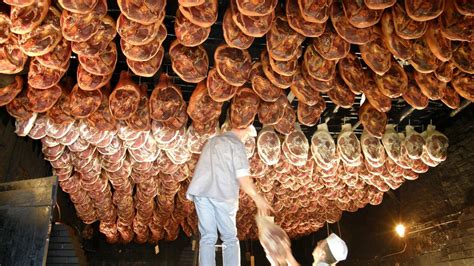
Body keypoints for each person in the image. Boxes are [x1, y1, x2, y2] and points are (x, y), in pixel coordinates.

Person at [186, 125, 273, 266]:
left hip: (201, 192)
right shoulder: (236, 144)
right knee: (230, 238)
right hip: (222, 194)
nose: (246, 138)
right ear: (243, 130)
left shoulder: (212, 141)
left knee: (208, 237)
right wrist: (258, 198)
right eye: (247, 135)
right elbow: (243, 178)